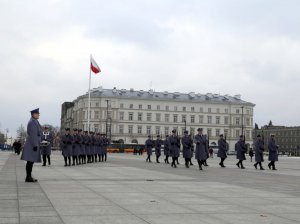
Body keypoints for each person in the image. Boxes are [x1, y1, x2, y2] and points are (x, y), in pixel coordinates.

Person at [20, 108, 42, 182]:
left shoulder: (34, 121)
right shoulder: (32, 122)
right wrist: (35, 144)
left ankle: (29, 177)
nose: (39, 114)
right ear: (33, 114)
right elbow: (33, 135)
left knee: (31, 162)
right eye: (37, 113)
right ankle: (28, 177)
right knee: (30, 161)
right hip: (32, 144)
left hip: (33, 143)